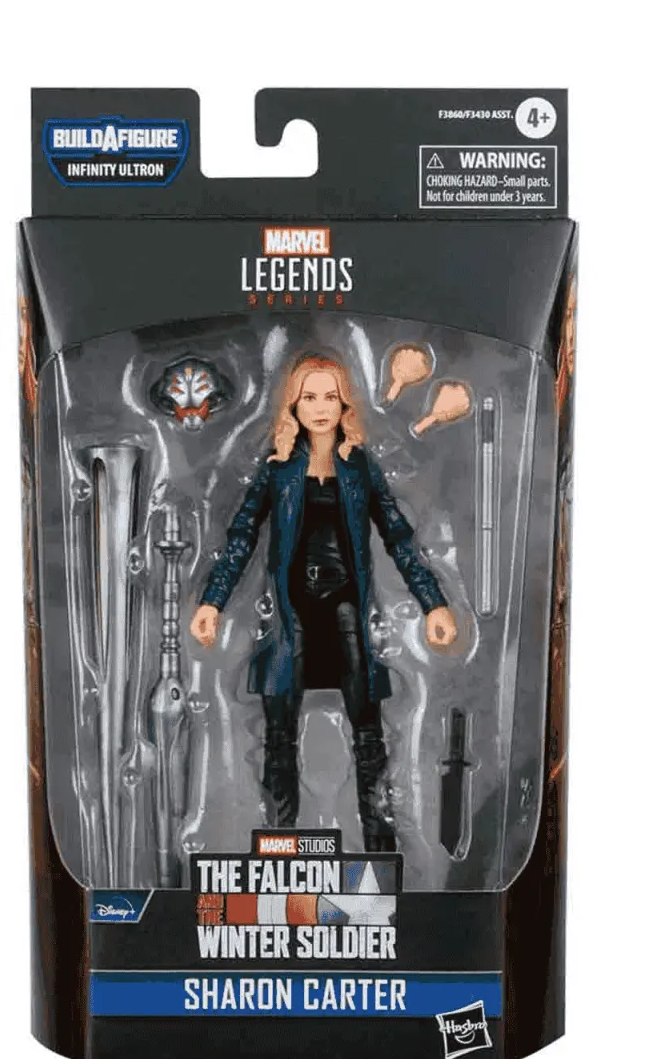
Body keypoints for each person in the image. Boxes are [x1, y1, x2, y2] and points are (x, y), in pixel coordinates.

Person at [190, 353, 456, 850]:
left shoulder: (358, 467)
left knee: (368, 731)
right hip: (291, 613)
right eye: (309, 397)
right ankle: (278, 850)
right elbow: (242, 537)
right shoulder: (278, 467)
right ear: (293, 404)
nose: (319, 407)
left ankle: (380, 848)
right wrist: (212, 602)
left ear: (344, 403)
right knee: (278, 738)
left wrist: (433, 603)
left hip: (345, 610)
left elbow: (398, 536)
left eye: (329, 396)